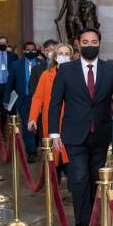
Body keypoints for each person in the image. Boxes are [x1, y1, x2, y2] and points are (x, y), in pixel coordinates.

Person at [49, 28, 113, 226]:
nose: (90, 45)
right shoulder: (66, 70)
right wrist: (54, 133)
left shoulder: (110, 70)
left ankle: (93, 218)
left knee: (95, 177)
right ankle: (83, 222)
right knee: (79, 177)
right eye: (86, 42)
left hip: (101, 134)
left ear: (99, 43)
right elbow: (55, 103)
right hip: (73, 134)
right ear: (78, 44)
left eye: (94, 41)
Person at [28, 44, 72, 183]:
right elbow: (38, 98)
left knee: (71, 159)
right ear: (55, 56)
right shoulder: (46, 75)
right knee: (54, 158)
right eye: (60, 53)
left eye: (66, 53)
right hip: (51, 122)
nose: (63, 56)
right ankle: (54, 190)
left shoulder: (76, 74)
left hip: (71, 122)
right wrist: (32, 118)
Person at [3, 42, 41, 162]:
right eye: (27, 50)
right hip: (23, 99)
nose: (30, 52)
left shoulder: (42, 64)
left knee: (38, 124)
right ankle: (31, 151)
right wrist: (6, 99)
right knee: (27, 124)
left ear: (36, 51)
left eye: (32, 50)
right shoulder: (16, 65)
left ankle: (35, 144)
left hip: (40, 99)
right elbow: (9, 83)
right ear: (23, 52)